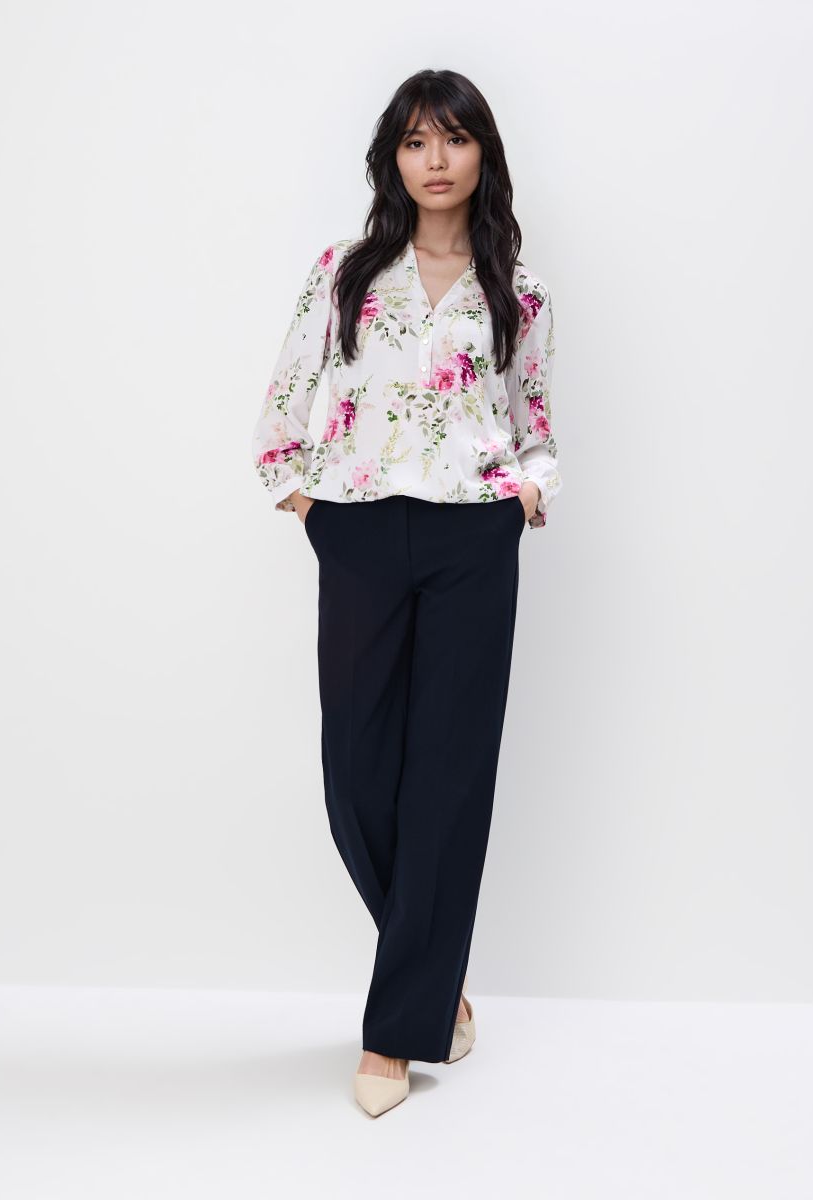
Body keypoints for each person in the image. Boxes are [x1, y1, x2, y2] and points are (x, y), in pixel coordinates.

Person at [250, 68, 562, 1117]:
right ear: (393, 156)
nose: (437, 160)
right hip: (362, 527)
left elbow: (536, 425)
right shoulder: (344, 273)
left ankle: (395, 1034)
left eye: (455, 139)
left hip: (474, 533)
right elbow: (284, 404)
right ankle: (439, 988)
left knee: (450, 777)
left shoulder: (520, 290)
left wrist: (526, 492)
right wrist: (309, 504)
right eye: (417, 141)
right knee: (356, 770)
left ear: (483, 154)